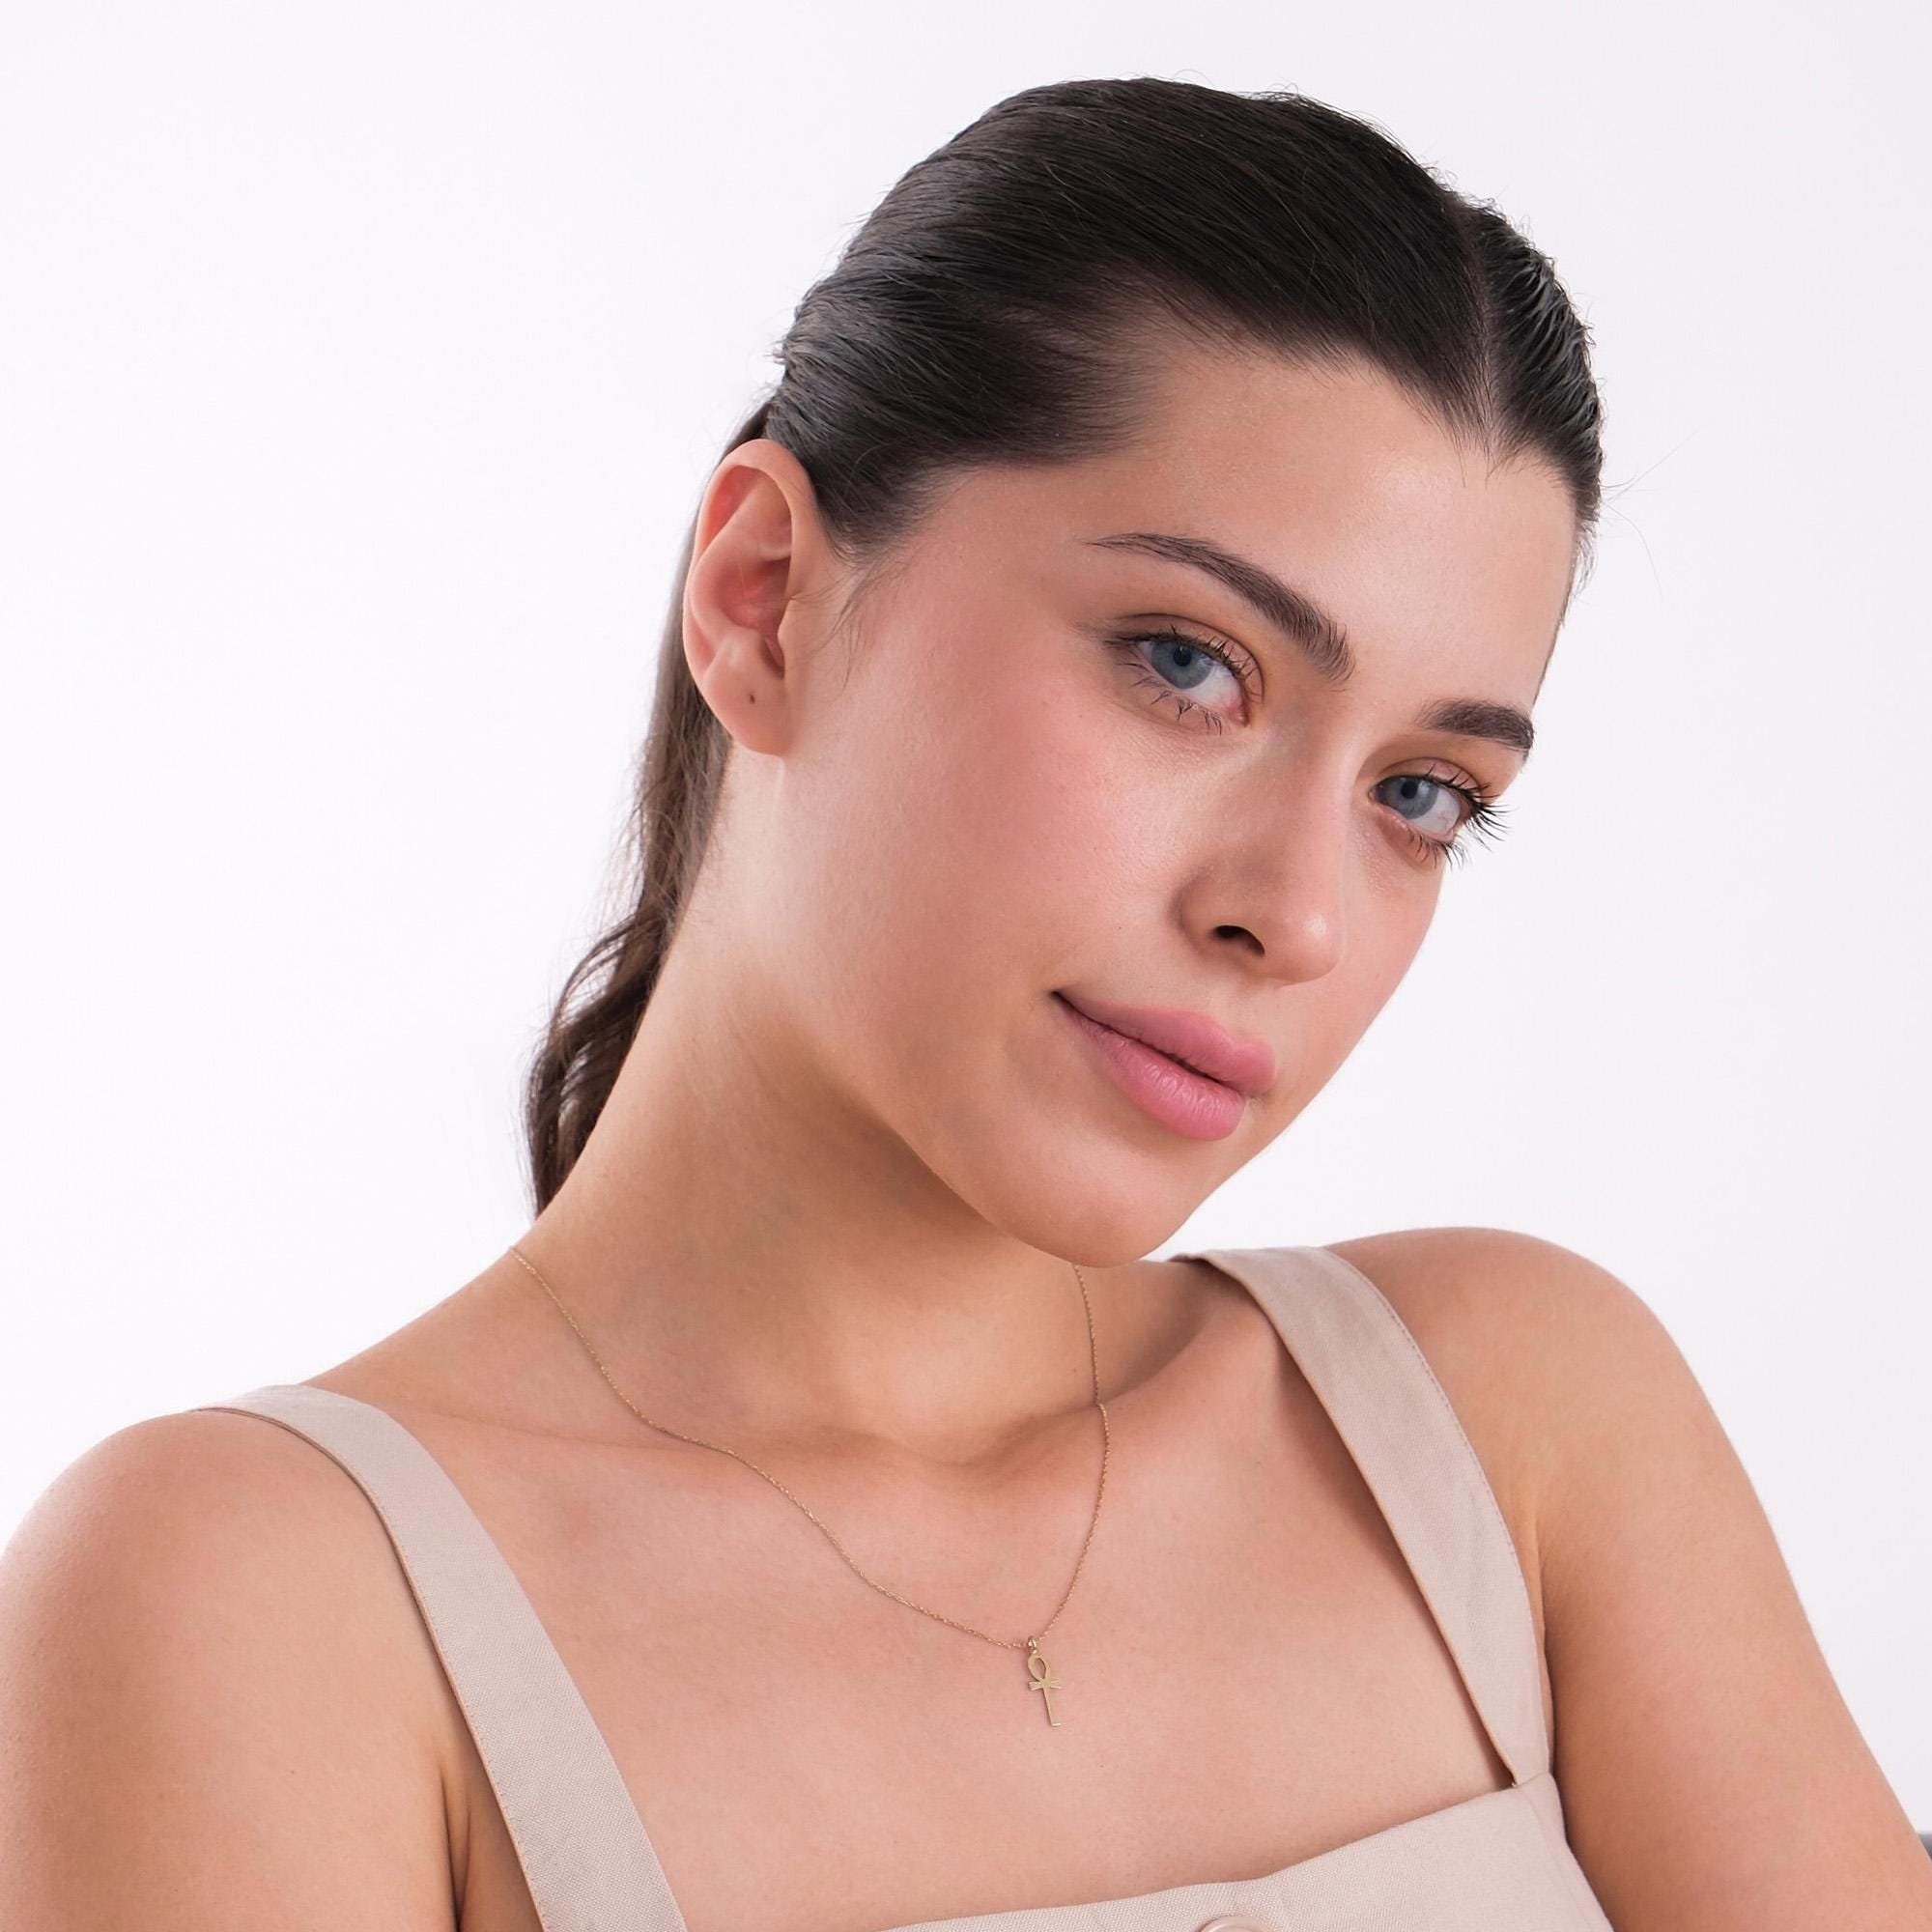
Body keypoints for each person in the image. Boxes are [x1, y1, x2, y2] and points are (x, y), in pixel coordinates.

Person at [4, 74, 1928, 1932]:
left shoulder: (1513, 1428)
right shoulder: (256, 1606)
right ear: (764, 596)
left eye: (1419, 795)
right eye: (1189, 664)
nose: (1299, 914)